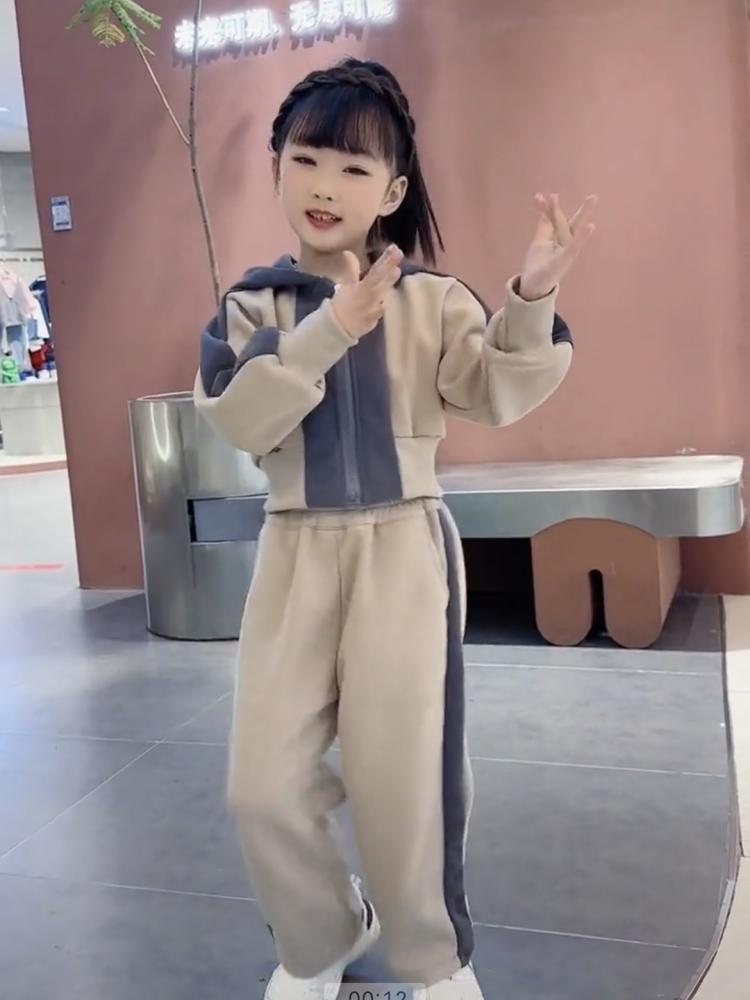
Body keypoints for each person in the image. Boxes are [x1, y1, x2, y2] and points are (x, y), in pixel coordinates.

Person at [194, 57, 597, 1000]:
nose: (324, 186)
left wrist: (532, 297)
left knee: (405, 780)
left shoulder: (433, 299)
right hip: (294, 552)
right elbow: (242, 420)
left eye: (353, 167)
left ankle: (429, 958)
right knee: (261, 788)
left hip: (403, 554)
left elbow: (493, 391)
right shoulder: (251, 306)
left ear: (392, 191)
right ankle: (323, 936)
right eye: (305, 160)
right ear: (276, 167)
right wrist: (332, 327)